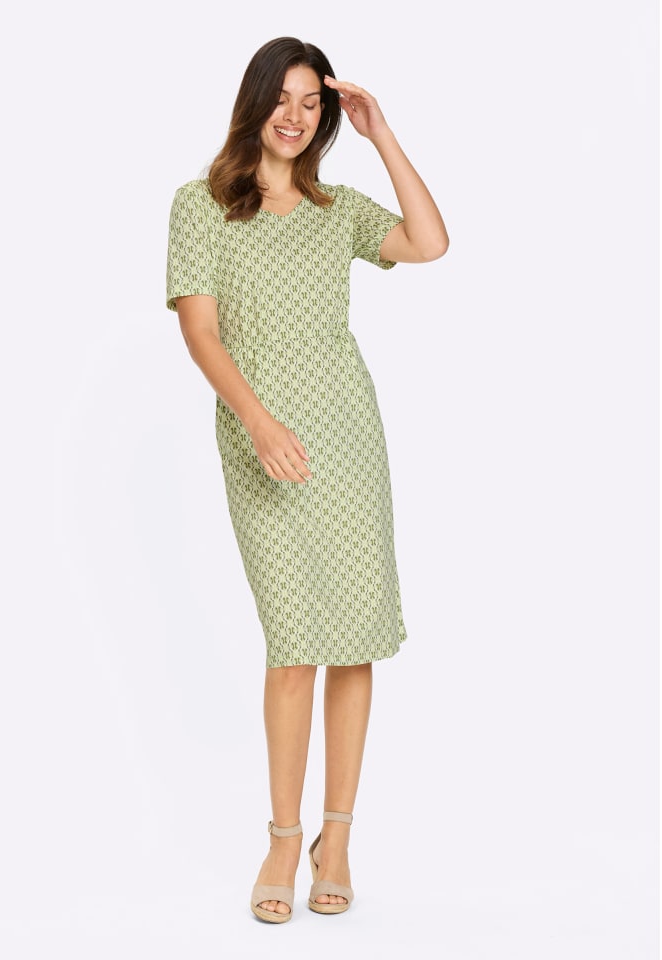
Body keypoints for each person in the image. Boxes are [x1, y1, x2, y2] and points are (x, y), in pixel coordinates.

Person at [165, 36, 448, 923]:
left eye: (311, 102)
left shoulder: (337, 208)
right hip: (261, 442)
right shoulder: (201, 206)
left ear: (325, 116)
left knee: (352, 641)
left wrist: (380, 133)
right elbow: (201, 332)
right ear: (255, 101)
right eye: (282, 98)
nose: (295, 115)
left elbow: (431, 242)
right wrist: (259, 423)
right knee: (293, 647)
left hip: (346, 439)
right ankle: (284, 839)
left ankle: (339, 838)